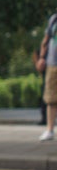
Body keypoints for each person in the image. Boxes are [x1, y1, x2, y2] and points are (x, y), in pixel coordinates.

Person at [35, 11, 57, 141]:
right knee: (51, 98)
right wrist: (42, 58)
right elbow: (46, 40)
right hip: (52, 63)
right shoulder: (54, 19)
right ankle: (49, 129)